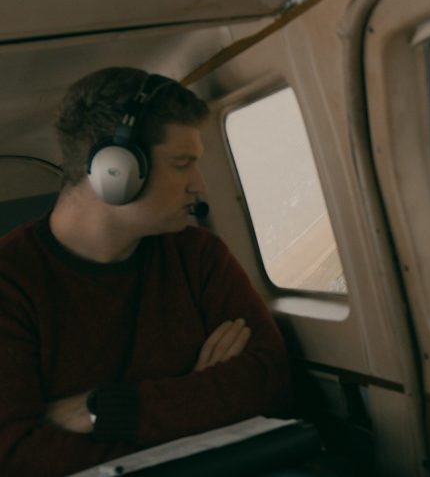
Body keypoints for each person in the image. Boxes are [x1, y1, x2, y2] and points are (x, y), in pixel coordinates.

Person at [0, 68, 292, 476]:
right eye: (182, 163)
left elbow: (267, 379)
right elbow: (18, 456)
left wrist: (106, 411)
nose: (200, 186)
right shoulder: (10, 282)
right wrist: (195, 401)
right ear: (114, 170)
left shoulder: (198, 255)